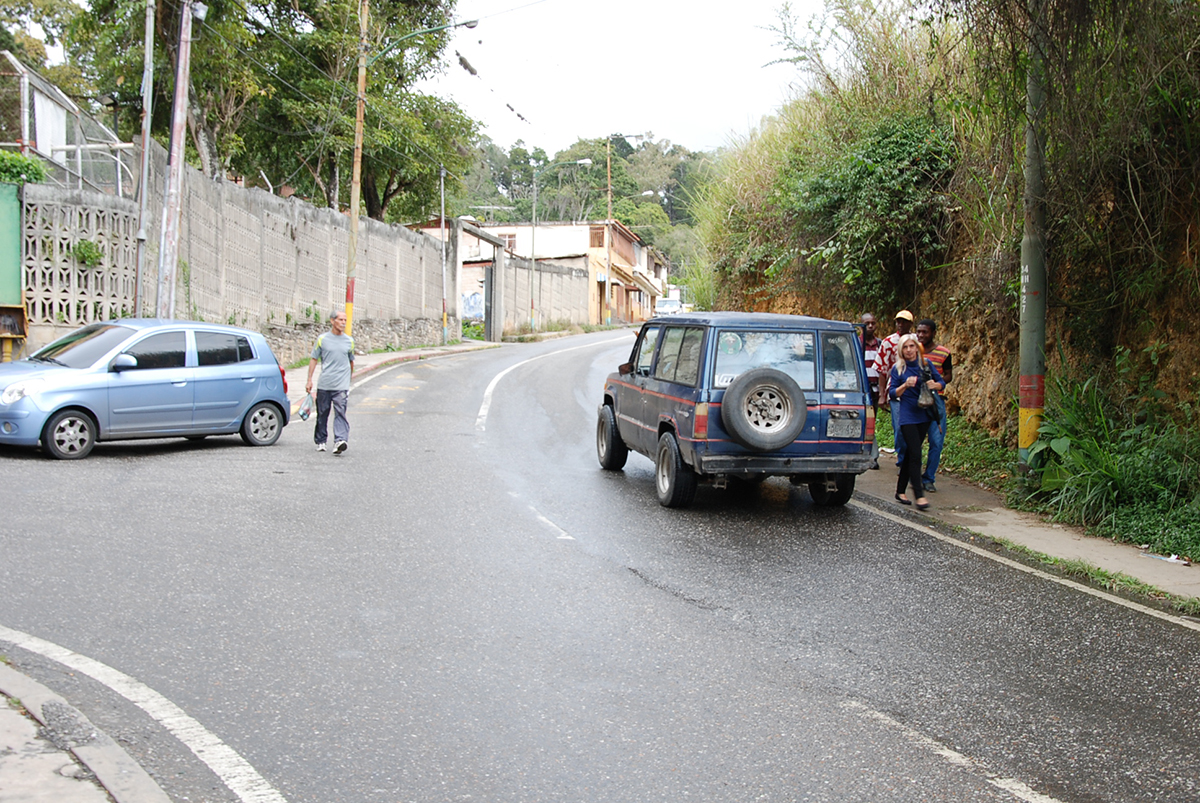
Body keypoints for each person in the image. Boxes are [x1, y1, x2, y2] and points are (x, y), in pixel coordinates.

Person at [889, 333, 944, 511]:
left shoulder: (925, 364)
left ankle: (900, 490)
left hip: (924, 414)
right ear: (901, 350)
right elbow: (892, 393)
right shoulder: (898, 369)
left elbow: (941, 381)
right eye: (905, 347)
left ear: (916, 348)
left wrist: (937, 385)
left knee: (911, 453)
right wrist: (905, 385)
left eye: (912, 346)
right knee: (916, 454)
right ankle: (919, 495)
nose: (909, 350)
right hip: (907, 416)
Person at [305, 309, 354, 455]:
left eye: (345, 320)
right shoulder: (322, 339)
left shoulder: (349, 341)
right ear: (332, 321)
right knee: (322, 413)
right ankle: (321, 440)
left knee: (340, 411)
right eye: (340, 320)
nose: (343, 323)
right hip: (325, 383)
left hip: (341, 385)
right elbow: (314, 359)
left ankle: (340, 440)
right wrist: (309, 380)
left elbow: (351, 362)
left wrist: (348, 380)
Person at [872, 310, 914, 467]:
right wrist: (882, 395)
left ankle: (909, 460)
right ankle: (903, 458)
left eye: (904, 322)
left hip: (914, 391)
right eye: (899, 321)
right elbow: (882, 370)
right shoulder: (889, 342)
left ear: (910, 324)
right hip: (896, 390)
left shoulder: (916, 341)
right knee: (899, 428)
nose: (901, 324)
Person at [916, 319, 954, 492]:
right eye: (919, 332)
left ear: (933, 333)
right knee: (909, 440)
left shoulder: (944, 353)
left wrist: (938, 384)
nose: (921, 335)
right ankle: (911, 473)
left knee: (936, 441)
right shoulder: (911, 351)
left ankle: (929, 477)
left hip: (935, 402)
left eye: (925, 332)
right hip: (915, 401)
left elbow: (948, 375)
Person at [860, 313, 882, 469]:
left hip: (875, 390)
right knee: (865, 421)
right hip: (861, 390)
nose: (870, 326)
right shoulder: (856, 344)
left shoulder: (880, 345)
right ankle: (871, 456)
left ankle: (871, 456)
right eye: (867, 323)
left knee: (871, 422)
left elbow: (884, 368)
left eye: (873, 323)